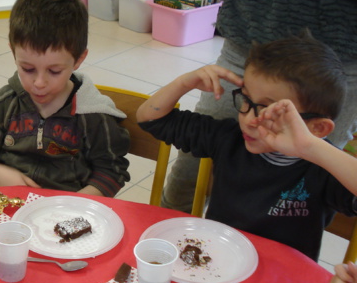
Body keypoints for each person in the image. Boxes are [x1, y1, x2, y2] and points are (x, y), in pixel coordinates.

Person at [163, 0, 357, 213]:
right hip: (255, 33)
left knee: (313, 179)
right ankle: (166, 234)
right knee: (194, 165)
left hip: (340, 61)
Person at [136, 31, 357, 261]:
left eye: (269, 112)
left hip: (284, 276)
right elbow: (150, 120)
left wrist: (312, 147)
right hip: (218, 261)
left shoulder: (323, 167)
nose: (249, 120)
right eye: (246, 100)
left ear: (317, 128)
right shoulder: (228, 138)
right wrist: (184, 82)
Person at [0, 0, 130, 197]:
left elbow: (111, 173)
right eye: (28, 69)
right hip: (10, 207)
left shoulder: (94, 116)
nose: (39, 83)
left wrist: (76, 203)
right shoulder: (4, 104)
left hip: (70, 211)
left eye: (54, 71)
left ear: (79, 60)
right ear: (13, 52)